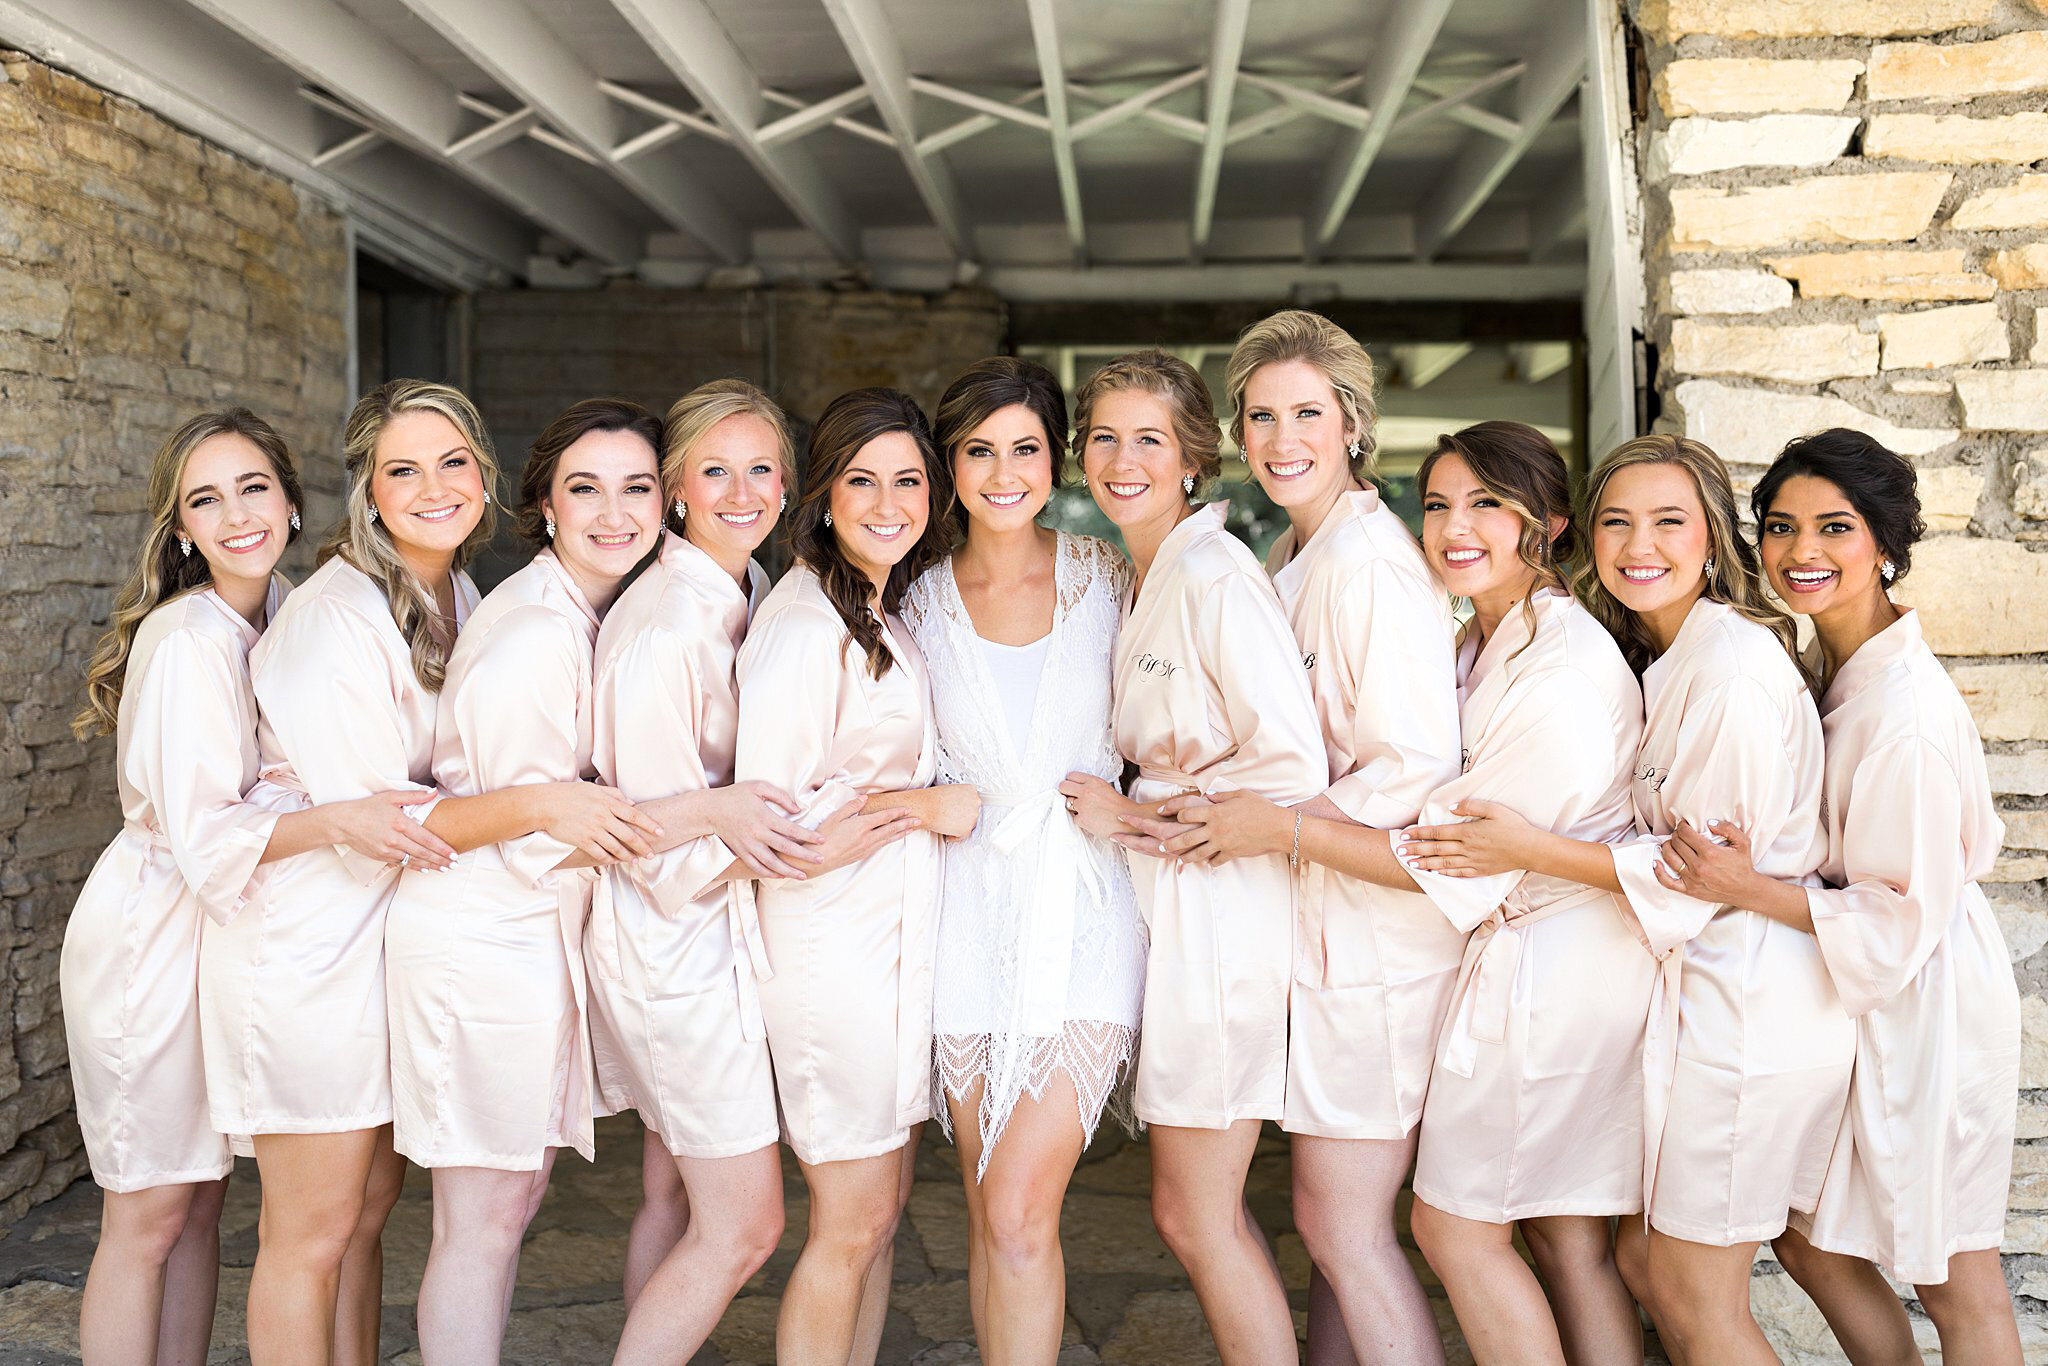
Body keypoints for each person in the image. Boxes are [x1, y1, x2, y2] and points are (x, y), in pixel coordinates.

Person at [199, 380, 654, 1366]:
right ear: (365, 488)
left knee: (363, 1213)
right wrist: (543, 801)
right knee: (309, 1232)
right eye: (401, 469)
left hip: (384, 937)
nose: (431, 486)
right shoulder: (333, 618)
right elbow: (390, 823)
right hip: (308, 944)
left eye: (451, 462)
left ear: (486, 477)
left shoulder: (459, 593)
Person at [1403, 433, 1854, 1363]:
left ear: (1713, 538)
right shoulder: (1664, 652)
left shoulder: (1726, 671)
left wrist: (1532, 848)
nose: (1638, 543)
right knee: (1641, 1263)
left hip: (1748, 1001)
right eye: (1619, 521)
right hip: (1696, 990)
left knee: (1690, 1289)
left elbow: (1697, 874)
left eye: (1668, 521)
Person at [63, 409, 452, 1366]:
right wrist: (339, 818)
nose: (237, 514)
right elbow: (202, 836)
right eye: (206, 498)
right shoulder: (186, 638)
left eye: (253, 488)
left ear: (288, 497)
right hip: (153, 935)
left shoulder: (291, 607)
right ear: (180, 527)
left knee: (205, 1205)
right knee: (149, 1212)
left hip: (233, 928)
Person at [1658, 429, 2022, 1366]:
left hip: (1922, 984)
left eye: (1834, 528)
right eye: (1780, 528)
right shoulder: (1834, 665)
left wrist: (1747, 884)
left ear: (1886, 543)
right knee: (1811, 1236)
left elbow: (1899, 913)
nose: (1801, 552)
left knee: (1956, 1274)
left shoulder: (1907, 713)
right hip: (1855, 984)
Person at [1141, 311, 1463, 1365]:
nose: (1283, 438)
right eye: (1262, 415)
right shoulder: (1289, 548)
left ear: (1353, 424)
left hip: (1377, 937)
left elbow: (1411, 766)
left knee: (1340, 1224)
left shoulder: (1370, 561)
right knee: (1336, 1234)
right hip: (1312, 919)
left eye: (1307, 415)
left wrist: (1270, 825)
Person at [588, 380, 897, 1363]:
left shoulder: (751, 588)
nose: (740, 489)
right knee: (744, 1225)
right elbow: (643, 843)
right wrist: (827, 831)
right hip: (670, 953)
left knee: (676, 1197)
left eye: (761, 467)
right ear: (675, 486)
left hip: (721, 942)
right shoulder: (662, 626)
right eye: (713, 470)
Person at [1062, 350, 1326, 1365]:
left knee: (1195, 1215)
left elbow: (1288, 772)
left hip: (1224, 925)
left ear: (1191, 461)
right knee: (1194, 1212)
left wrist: (1129, 822)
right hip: (1176, 915)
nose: (1121, 459)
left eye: (1149, 440)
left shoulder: (1213, 576)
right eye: (1104, 437)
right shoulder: (1143, 572)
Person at [903, 357, 1144, 1365]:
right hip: (963, 917)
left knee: (1014, 1204)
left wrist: (1136, 810)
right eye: (978, 451)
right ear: (948, 465)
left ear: (1057, 461)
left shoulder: (1111, 579)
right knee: (986, 1208)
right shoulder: (910, 597)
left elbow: (1185, 724)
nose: (1003, 472)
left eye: (1026, 449)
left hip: (1084, 912)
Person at [734, 387, 979, 1365]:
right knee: (849, 1220)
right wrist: (925, 808)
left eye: (907, 479)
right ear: (823, 493)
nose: (887, 501)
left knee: (875, 1219)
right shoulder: (802, 625)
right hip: (830, 957)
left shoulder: (877, 605)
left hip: (886, 946)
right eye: (861, 479)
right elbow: (776, 826)